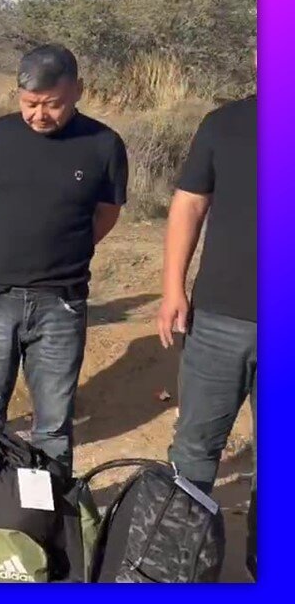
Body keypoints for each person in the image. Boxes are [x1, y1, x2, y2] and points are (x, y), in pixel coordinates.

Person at [0, 44, 128, 474]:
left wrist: (66, 248)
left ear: (77, 92)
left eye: (51, 104)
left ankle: (46, 518)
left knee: (53, 426)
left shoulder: (104, 144)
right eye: (29, 103)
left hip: (62, 301)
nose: (38, 114)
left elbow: (106, 213)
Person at [158, 89, 256, 580]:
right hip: (217, 318)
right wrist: (173, 287)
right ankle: (177, 567)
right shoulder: (224, 123)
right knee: (194, 452)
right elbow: (190, 203)